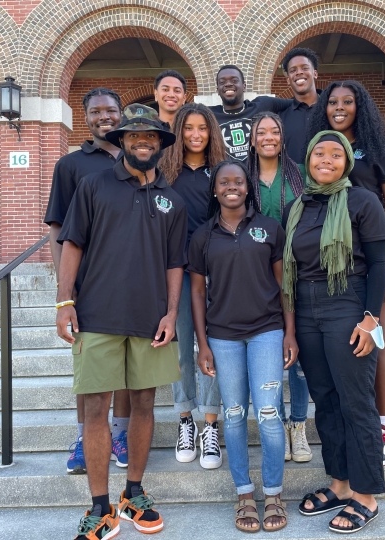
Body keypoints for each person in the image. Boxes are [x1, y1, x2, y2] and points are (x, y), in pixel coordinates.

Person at [56, 104, 187, 539]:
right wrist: (64, 302)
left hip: (151, 320)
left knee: (144, 405)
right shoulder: (93, 186)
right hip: (97, 314)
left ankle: (134, 492)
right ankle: (100, 506)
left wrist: (171, 313)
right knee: (96, 407)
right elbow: (72, 244)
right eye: (134, 136)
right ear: (123, 142)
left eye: (150, 136)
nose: (142, 141)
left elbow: (174, 264)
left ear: (160, 144)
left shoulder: (173, 200)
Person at [285, 131, 385, 534]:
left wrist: (370, 319)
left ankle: (366, 495)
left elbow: (379, 265)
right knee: (325, 400)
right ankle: (340, 484)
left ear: (346, 161)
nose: (326, 160)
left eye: (335, 154)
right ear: (307, 159)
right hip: (308, 309)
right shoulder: (297, 207)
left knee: (355, 401)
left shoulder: (363, 201)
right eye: (318, 153)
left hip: (347, 302)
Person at [189, 160, 297, 533]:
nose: (231, 186)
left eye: (238, 181)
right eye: (224, 182)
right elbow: (198, 293)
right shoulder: (203, 236)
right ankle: (245, 494)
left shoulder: (270, 228)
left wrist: (290, 333)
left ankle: (274, 493)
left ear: (248, 187)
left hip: (267, 330)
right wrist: (202, 343)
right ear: (215, 189)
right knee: (233, 414)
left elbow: (285, 286)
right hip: (222, 336)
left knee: (268, 413)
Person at [306, 80, 385, 466]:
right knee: (350, 348)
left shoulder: (376, 147)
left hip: (373, 259)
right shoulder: (321, 147)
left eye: (348, 101)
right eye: (332, 101)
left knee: (377, 338)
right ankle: (357, 425)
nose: (339, 107)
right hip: (333, 270)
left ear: (359, 106)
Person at [43, 88, 131, 475]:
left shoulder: (139, 158)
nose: (104, 117)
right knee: (91, 370)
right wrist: (67, 289)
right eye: (96, 112)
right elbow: (57, 228)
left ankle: (121, 434)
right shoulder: (71, 165)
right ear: (86, 117)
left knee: (130, 368)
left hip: (135, 280)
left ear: (121, 114)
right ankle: (84, 438)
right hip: (89, 284)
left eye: (111, 111)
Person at [158, 103, 227, 468]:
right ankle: (186, 420)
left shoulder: (221, 171)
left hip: (215, 270)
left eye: (203, 128)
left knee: (211, 346)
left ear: (211, 131)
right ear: (180, 131)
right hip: (177, 273)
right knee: (182, 349)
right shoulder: (165, 173)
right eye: (189, 128)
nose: (196, 134)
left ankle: (211, 425)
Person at [247, 111, 311, 463]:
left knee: (296, 354)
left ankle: (297, 426)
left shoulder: (300, 174)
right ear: (252, 139)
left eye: (275, 131)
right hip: (255, 276)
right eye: (262, 132)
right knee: (269, 353)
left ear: (282, 138)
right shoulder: (242, 176)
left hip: (299, 271)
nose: (268, 137)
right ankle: (276, 424)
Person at [209, 65, 292, 161]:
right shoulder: (209, 115)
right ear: (218, 89)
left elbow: (296, 104)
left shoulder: (262, 105)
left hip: (259, 174)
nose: (228, 84)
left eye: (234, 80)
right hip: (228, 174)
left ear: (244, 86)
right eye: (222, 82)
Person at [278, 47, 320, 164]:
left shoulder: (331, 109)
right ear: (288, 80)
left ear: (315, 73)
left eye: (305, 68)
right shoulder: (280, 115)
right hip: (292, 181)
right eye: (293, 70)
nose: (299, 72)